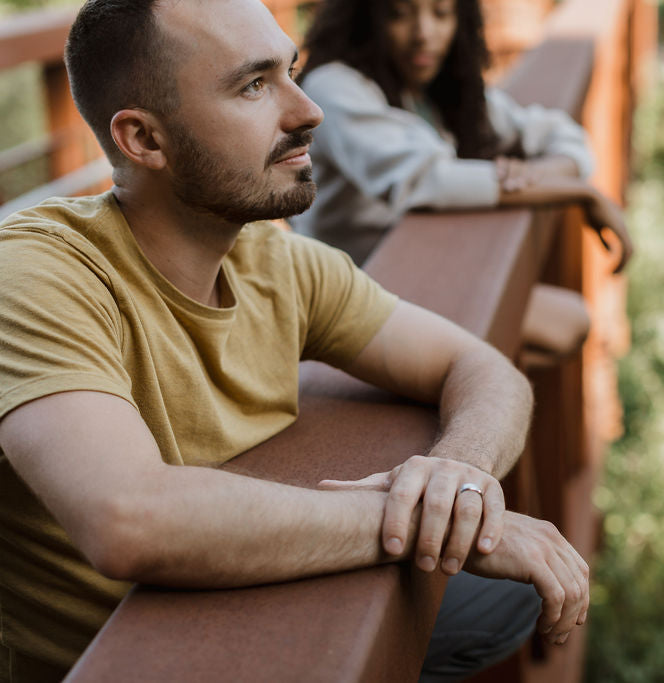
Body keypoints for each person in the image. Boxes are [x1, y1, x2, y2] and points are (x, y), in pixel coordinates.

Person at [0, 0, 589, 681]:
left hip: (274, 615)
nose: (308, 111)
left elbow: (483, 369)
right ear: (145, 140)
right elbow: (129, 519)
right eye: (254, 85)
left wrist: (458, 473)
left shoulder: (274, 260)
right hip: (123, 661)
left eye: (292, 70)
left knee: (506, 599)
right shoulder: (36, 273)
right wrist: (400, 515)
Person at [290, 0, 634, 362]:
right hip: (353, 297)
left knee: (567, 322)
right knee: (557, 325)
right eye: (399, 14)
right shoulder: (334, 88)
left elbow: (558, 134)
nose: (424, 34)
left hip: (422, 278)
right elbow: (423, 180)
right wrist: (576, 192)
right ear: (364, 18)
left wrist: (536, 176)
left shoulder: (435, 87)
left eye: (441, 13)